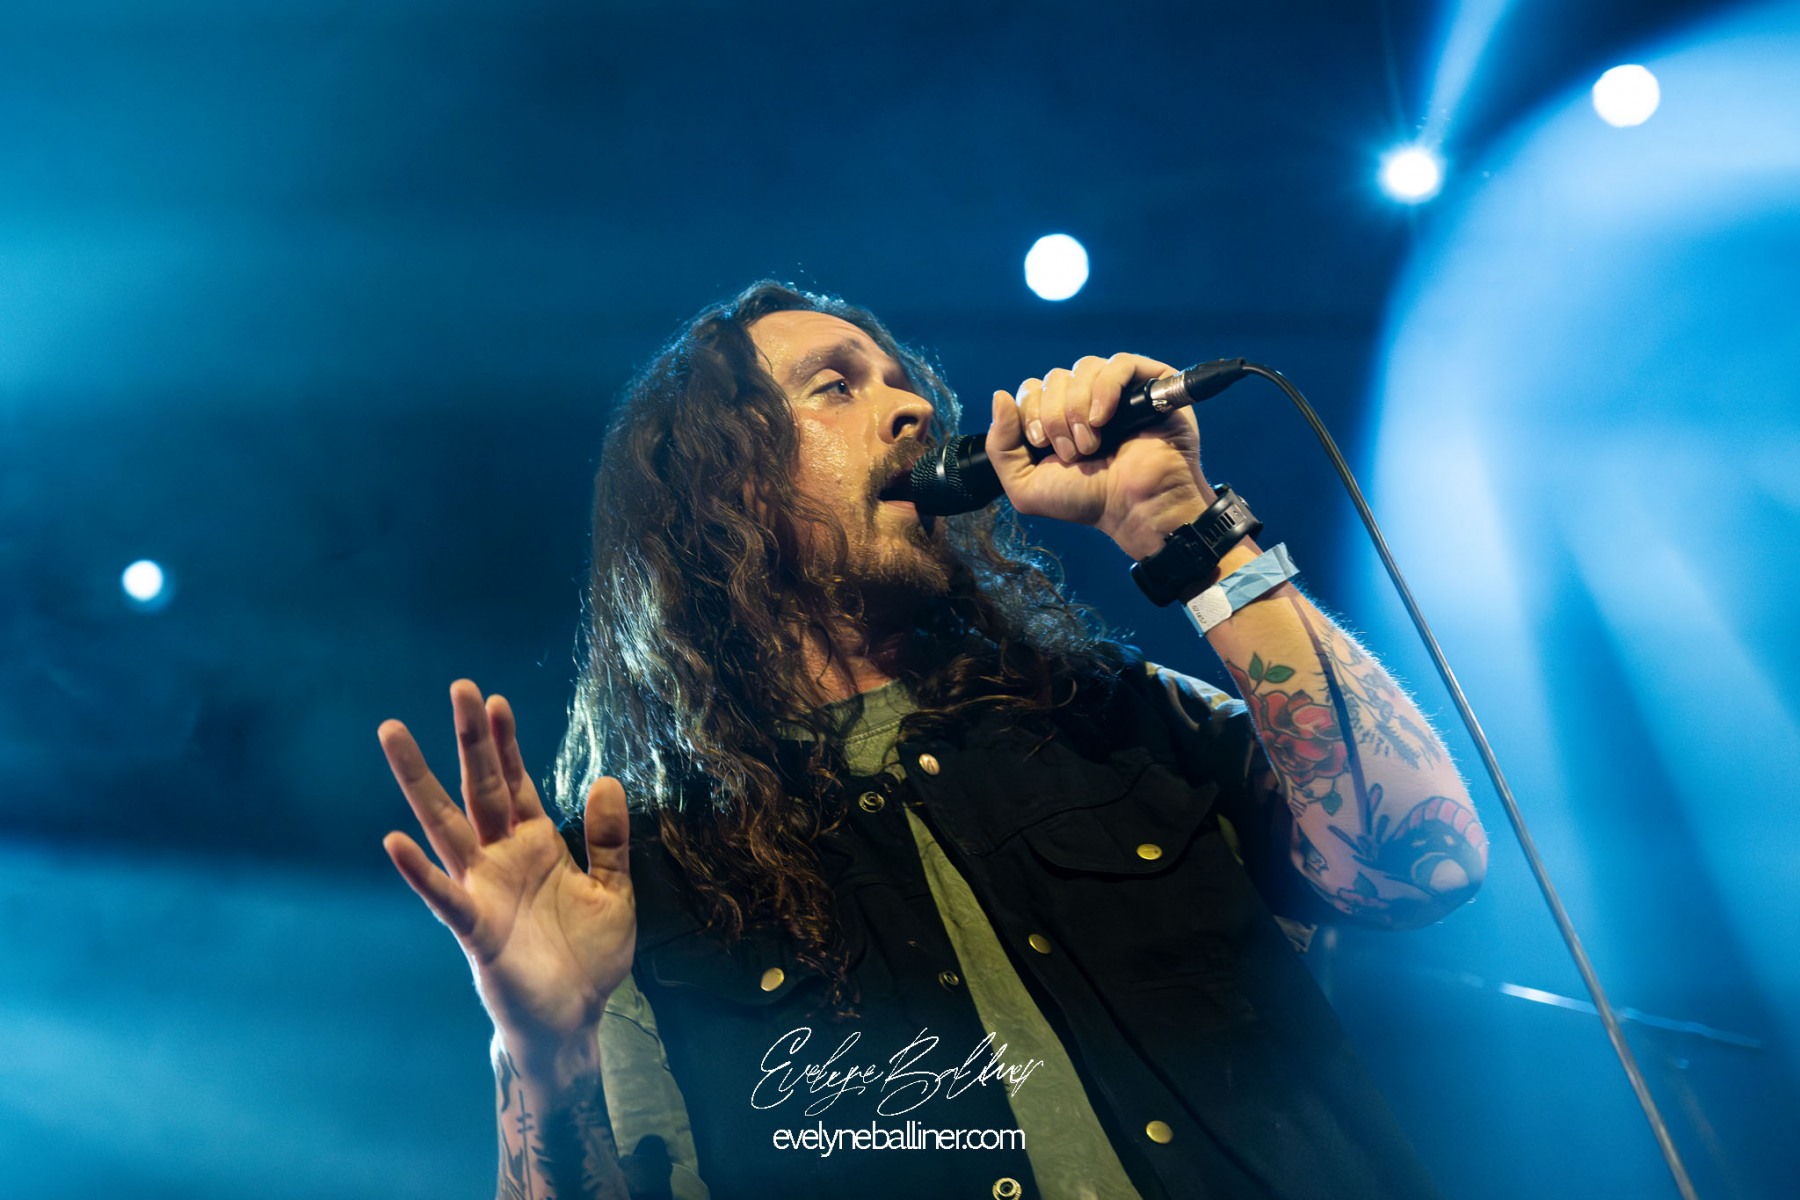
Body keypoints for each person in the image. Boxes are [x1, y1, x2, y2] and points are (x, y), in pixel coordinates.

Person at [377, 282, 1489, 1200]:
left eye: (902, 382)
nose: (910, 408)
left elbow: (1421, 864)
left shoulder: (1119, 716)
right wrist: (544, 1060)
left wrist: (1185, 528)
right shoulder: (646, 882)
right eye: (836, 386)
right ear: (719, 489)